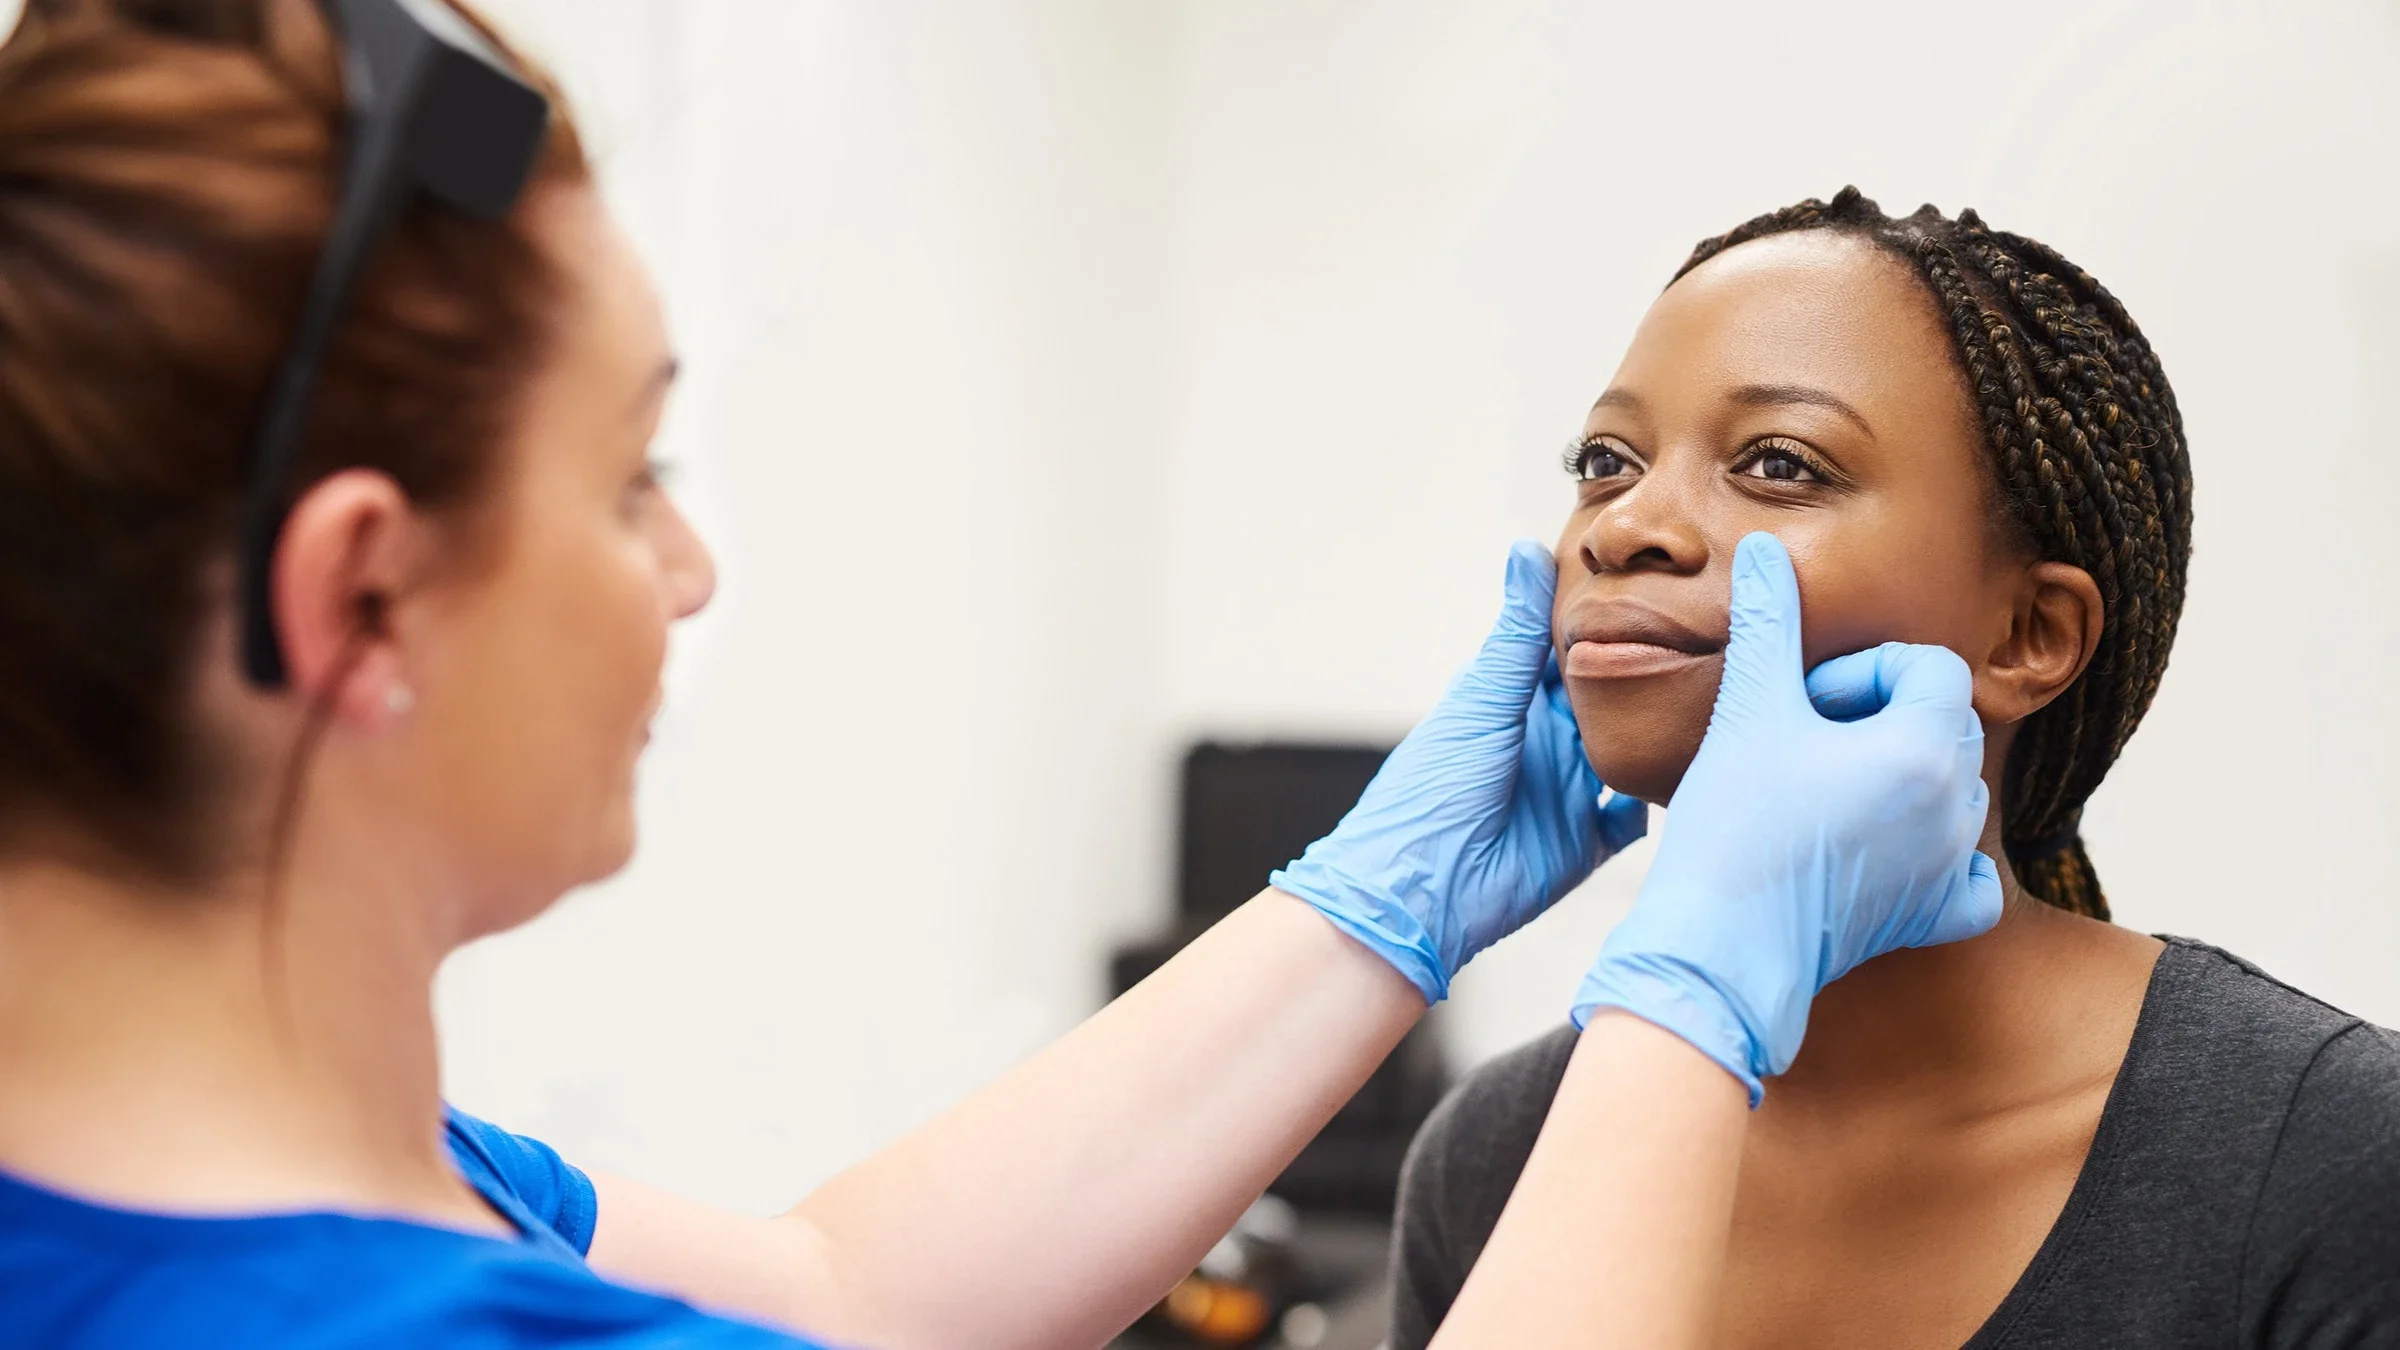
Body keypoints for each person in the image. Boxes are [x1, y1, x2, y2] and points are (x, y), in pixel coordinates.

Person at [0, 8, 1998, 1348]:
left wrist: (1378, 904)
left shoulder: (368, 1191)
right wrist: (1693, 990)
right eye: (633, 481)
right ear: (358, 595)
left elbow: (843, 1291)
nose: (688, 572)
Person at [1388, 189, 2400, 1349]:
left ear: (2028, 635)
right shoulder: (1491, 1153)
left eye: (1779, 462)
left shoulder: (2330, 1157)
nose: (1622, 530)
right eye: (1606, 461)